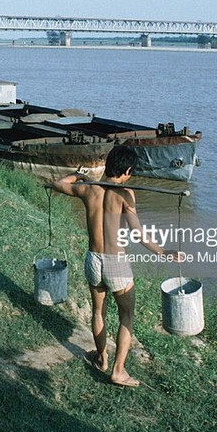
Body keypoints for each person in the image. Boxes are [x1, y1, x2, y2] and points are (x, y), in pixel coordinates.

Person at [50, 146, 181, 388]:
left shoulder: (89, 190)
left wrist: (81, 177)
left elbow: (59, 183)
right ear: (128, 170)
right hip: (115, 263)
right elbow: (139, 234)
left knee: (98, 312)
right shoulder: (126, 193)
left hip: (93, 259)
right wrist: (164, 252)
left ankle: (102, 358)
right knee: (127, 315)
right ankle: (118, 371)